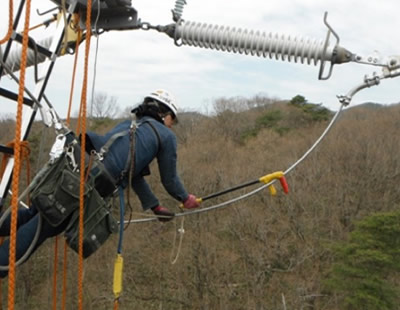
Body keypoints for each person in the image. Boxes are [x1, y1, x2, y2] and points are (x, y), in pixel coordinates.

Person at [0, 89, 199, 277]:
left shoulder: (129, 126)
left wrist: (155, 206)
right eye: (172, 119)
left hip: (77, 170)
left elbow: (133, 175)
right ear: (164, 114)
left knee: (37, 212)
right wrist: (185, 197)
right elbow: (169, 179)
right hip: (91, 184)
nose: (172, 124)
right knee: (44, 225)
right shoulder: (166, 136)